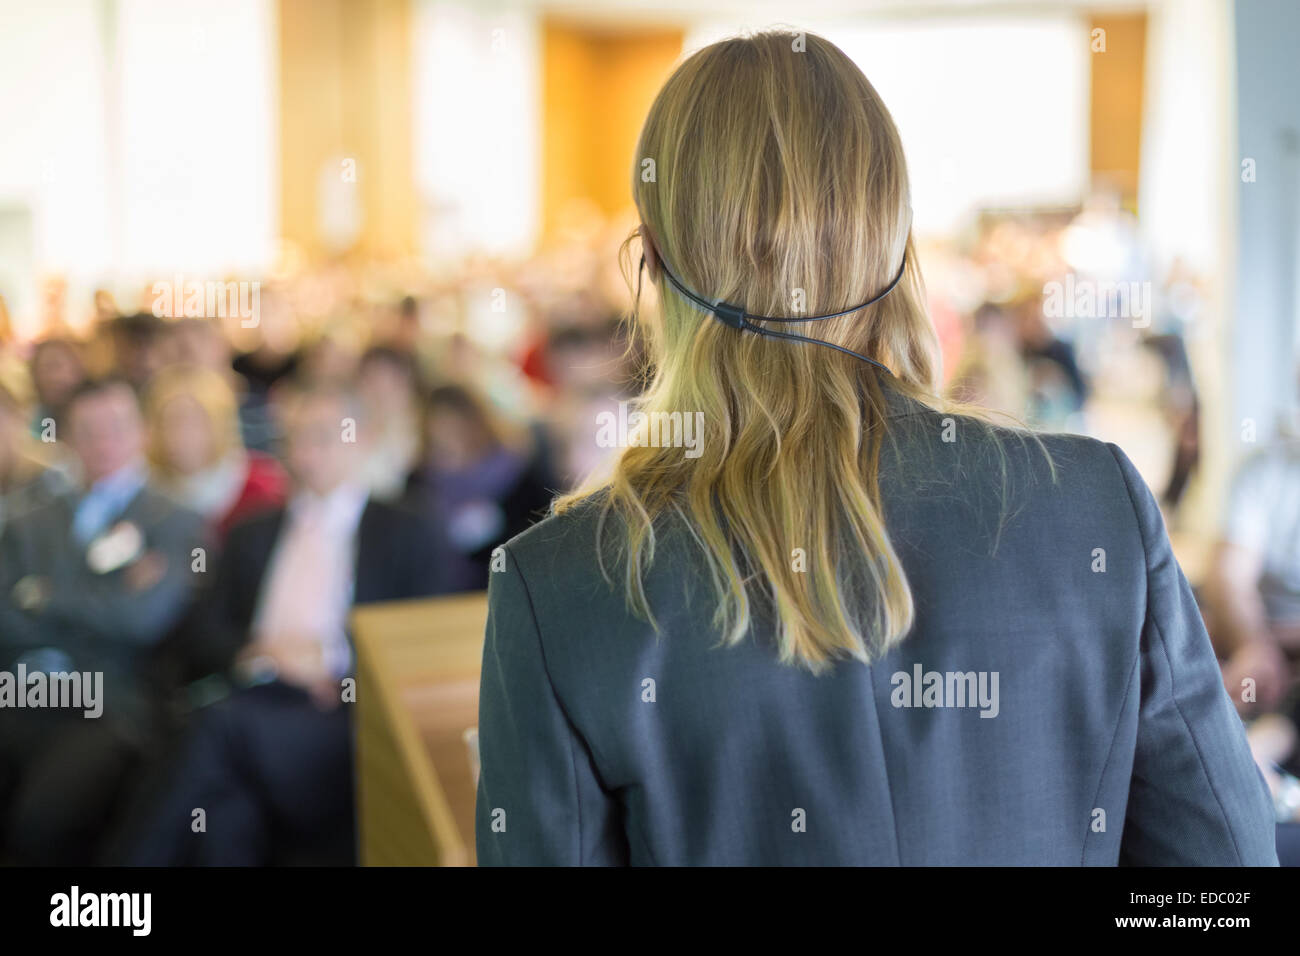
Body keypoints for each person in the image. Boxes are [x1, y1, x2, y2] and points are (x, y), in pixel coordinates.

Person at [474, 31, 1277, 866]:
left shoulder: (561, 585)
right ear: (900, 244)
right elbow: (1225, 863)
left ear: (654, 269)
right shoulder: (1094, 504)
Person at [126, 384, 445, 865]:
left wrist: (335, 663)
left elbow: (428, 639)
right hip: (252, 688)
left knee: (215, 732)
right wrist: (252, 651)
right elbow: (204, 630)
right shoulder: (254, 530)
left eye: (321, 436)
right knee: (228, 808)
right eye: (293, 438)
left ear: (362, 439)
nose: (304, 452)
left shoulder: (405, 529)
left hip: (339, 709)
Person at [0, 378, 205, 864]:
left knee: (42, 819)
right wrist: (100, 602)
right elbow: (4, 617)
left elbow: (143, 620)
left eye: (117, 427)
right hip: (20, 686)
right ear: (66, 436)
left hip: (110, 702)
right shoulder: (29, 518)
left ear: (141, 431)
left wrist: (43, 597)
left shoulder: (176, 520)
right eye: (88, 430)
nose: (104, 442)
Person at [406, 383, 554, 592]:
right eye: (440, 428)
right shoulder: (418, 481)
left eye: (456, 427)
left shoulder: (516, 474)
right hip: (439, 594)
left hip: (507, 585)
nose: (449, 436)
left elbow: (540, 532)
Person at [144, 363, 287, 540]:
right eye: (170, 422)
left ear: (219, 424)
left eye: (194, 422)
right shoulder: (144, 491)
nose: (181, 435)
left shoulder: (260, 485)